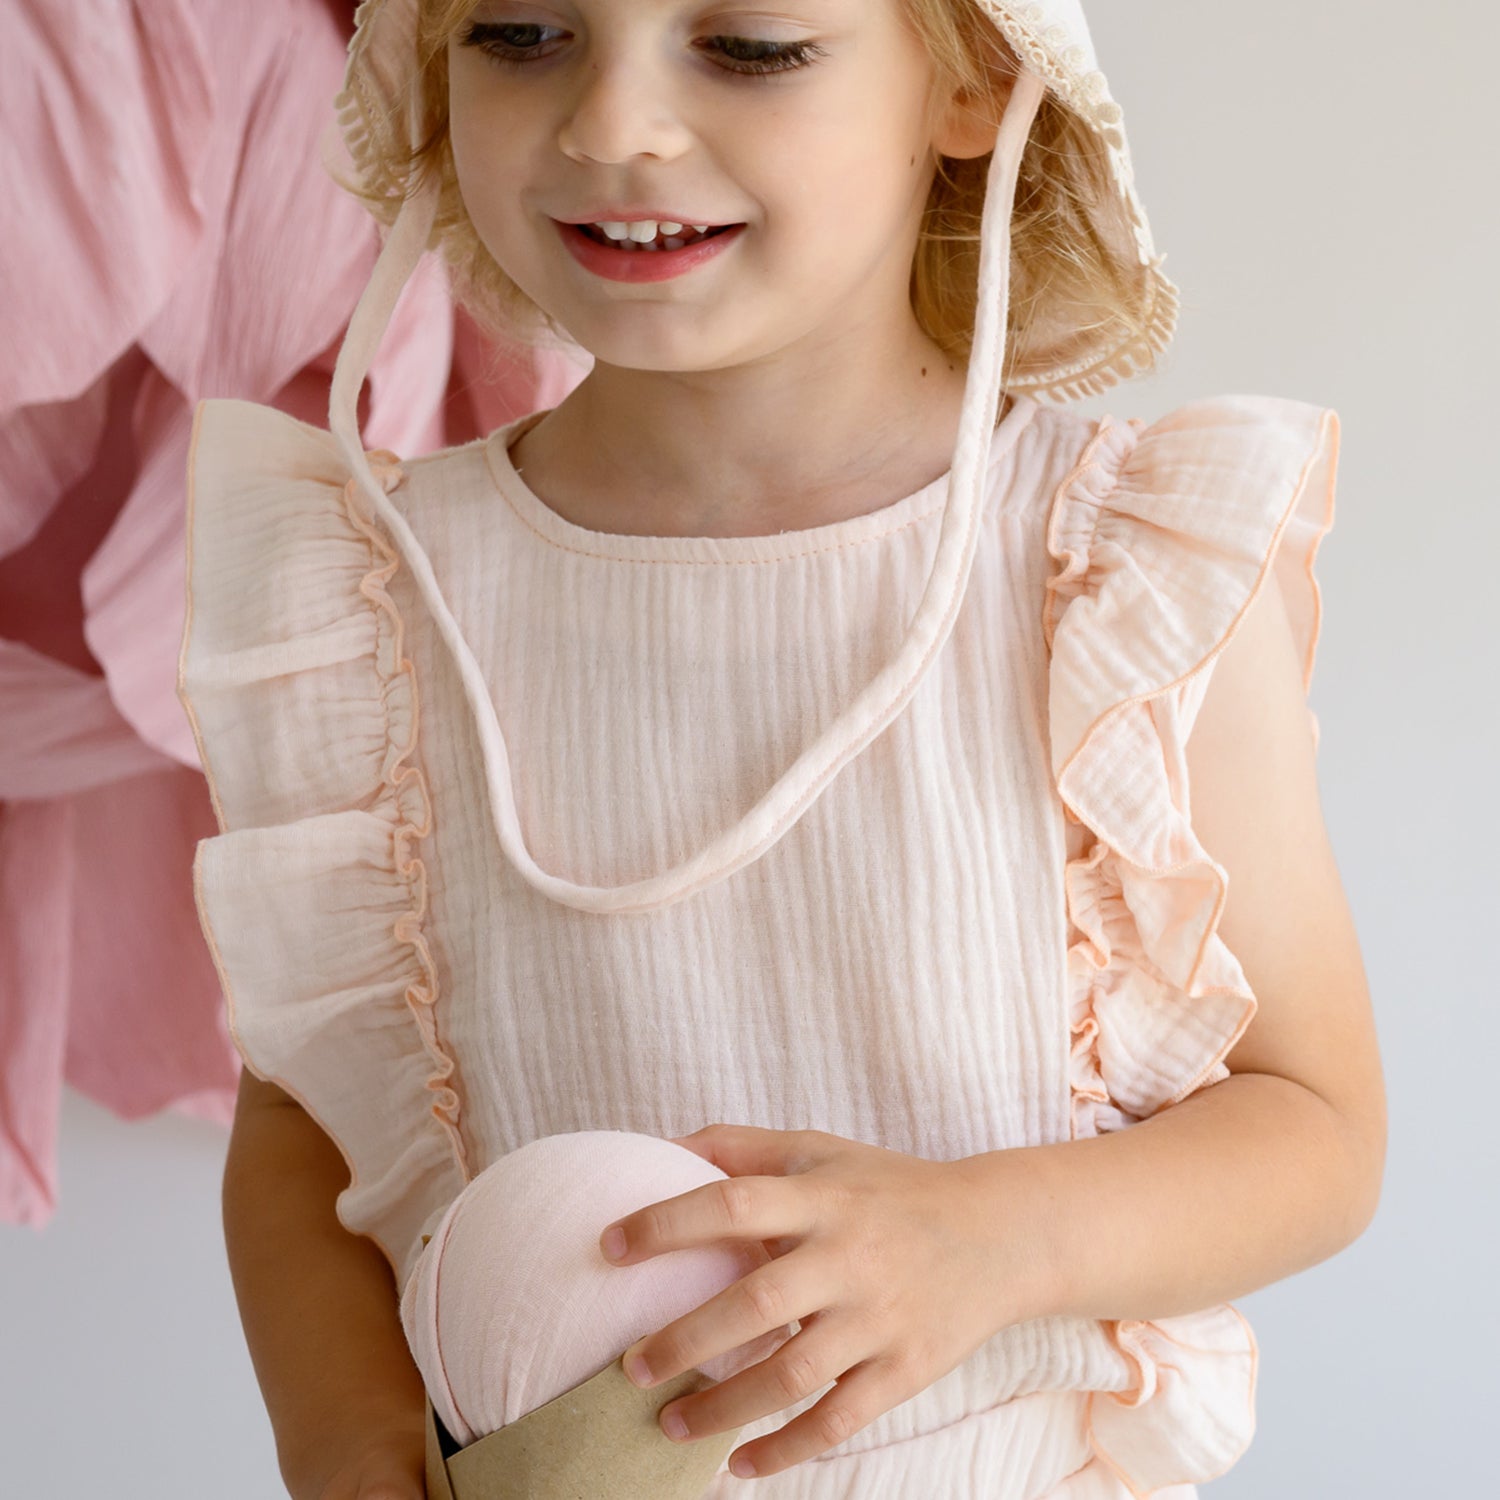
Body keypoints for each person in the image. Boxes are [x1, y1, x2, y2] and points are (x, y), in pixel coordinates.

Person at [176, 0, 1387, 1496]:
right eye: (518, 32)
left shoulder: (1107, 573)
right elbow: (305, 1115)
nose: (612, 126)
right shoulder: (375, 601)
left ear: (975, 82)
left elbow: (1317, 1129)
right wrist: (346, 1439)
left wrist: (994, 1239)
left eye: (749, 46)